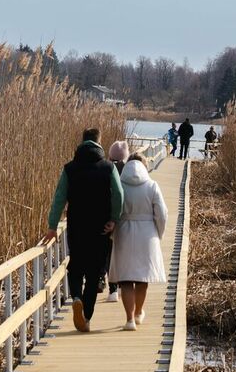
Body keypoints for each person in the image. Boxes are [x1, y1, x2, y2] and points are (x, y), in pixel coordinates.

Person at [45, 128, 124, 333]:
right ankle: (87, 316)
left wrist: (53, 226)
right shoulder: (108, 167)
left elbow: (59, 198)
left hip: (77, 227)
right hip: (100, 229)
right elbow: (119, 194)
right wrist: (114, 219)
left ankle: (76, 298)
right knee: (94, 272)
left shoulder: (69, 168)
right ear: (99, 142)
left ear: (82, 142)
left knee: (76, 266)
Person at [108, 152, 167, 330]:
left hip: (124, 231)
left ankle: (129, 320)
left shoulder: (119, 185)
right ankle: (139, 312)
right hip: (147, 232)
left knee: (126, 279)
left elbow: (113, 208)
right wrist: (159, 233)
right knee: (142, 278)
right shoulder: (152, 186)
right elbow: (162, 214)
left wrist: (113, 231)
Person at [104, 140, 130, 302]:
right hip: (126, 220)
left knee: (109, 255)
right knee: (123, 253)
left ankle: (112, 289)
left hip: (108, 219)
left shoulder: (106, 169)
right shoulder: (130, 170)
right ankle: (122, 286)